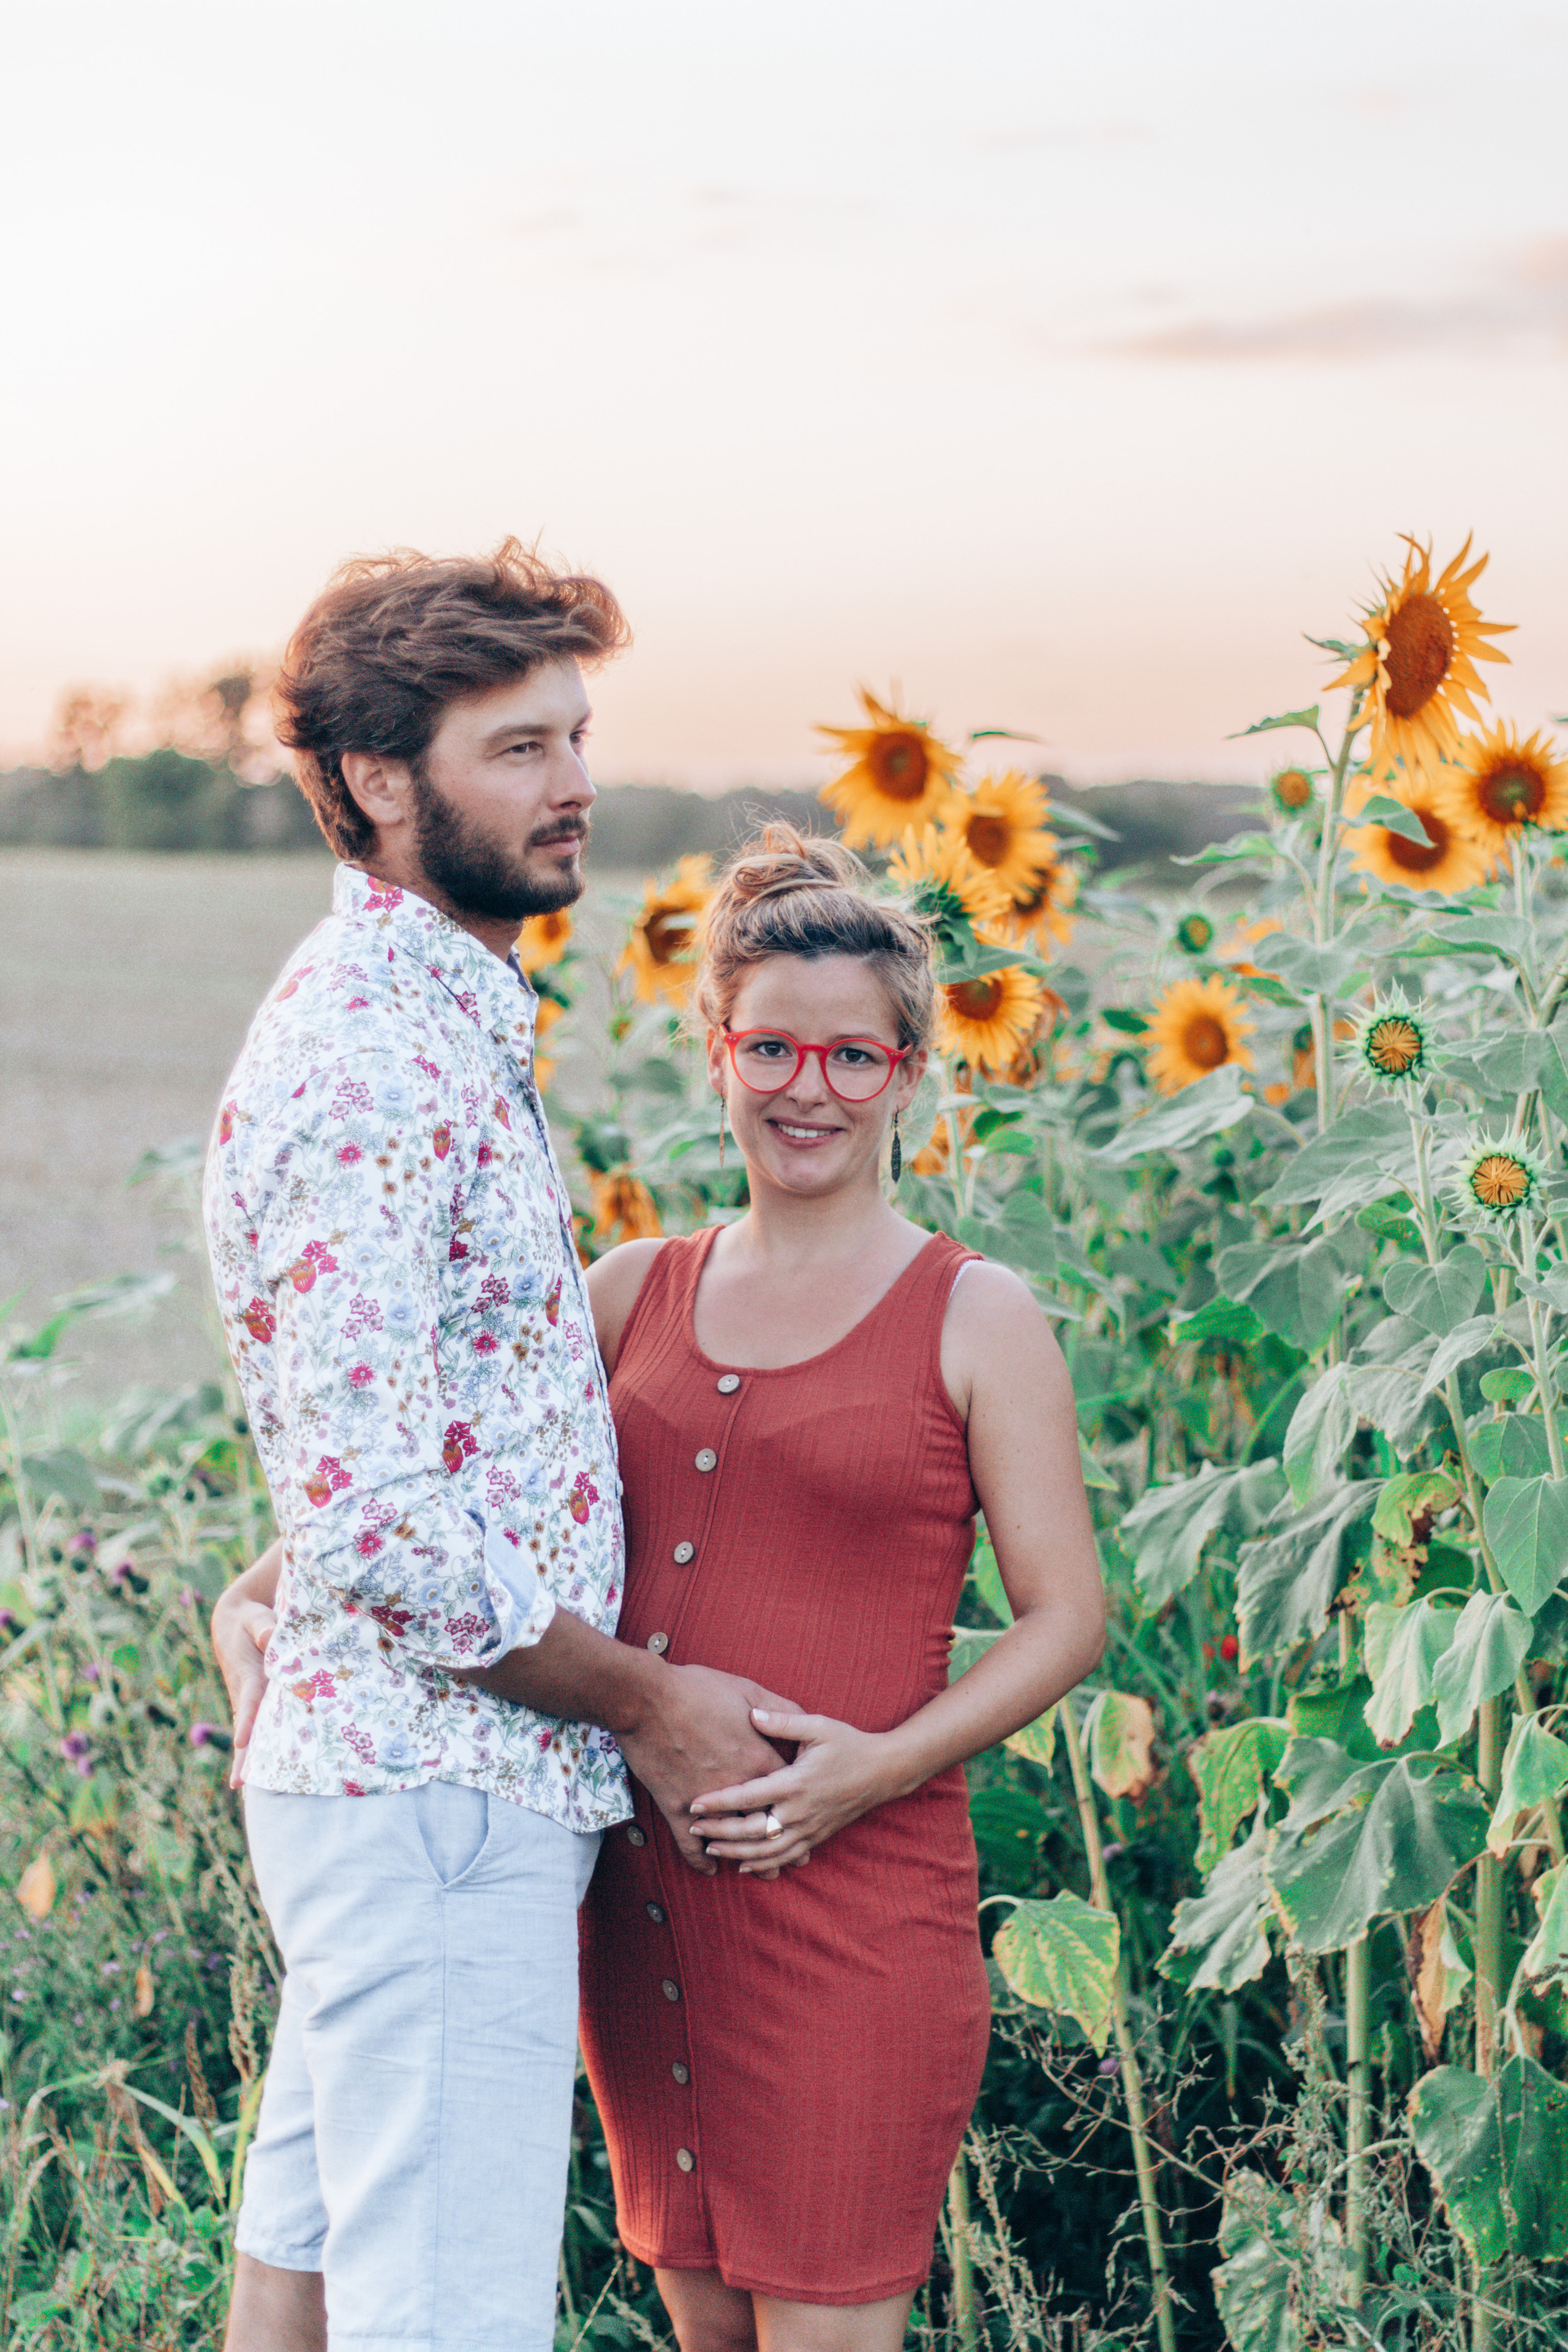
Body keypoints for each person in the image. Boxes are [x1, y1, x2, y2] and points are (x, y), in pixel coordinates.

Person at [204, 542, 792, 2352]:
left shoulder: (435, 1018)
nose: (577, 788)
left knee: (309, 2283)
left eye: (577, 738)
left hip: (406, 1770)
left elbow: (379, 1449)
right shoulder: (376, 1052)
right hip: (441, 1792)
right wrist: (645, 1699)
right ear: (380, 785)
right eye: (518, 749)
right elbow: (380, 1520)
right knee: (445, 2320)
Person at [575, 829, 1106, 2352]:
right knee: (704, 2325)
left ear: (909, 1071)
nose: (808, 1088)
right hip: (643, 1916)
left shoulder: (975, 1313)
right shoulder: (627, 1290)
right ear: (716, 1052)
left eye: (853, 1057)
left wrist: (870, 1770)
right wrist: (265, 1590)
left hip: (856, 1916)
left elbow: (1066, 1617)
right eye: (772, 1047)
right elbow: (446, 1483)